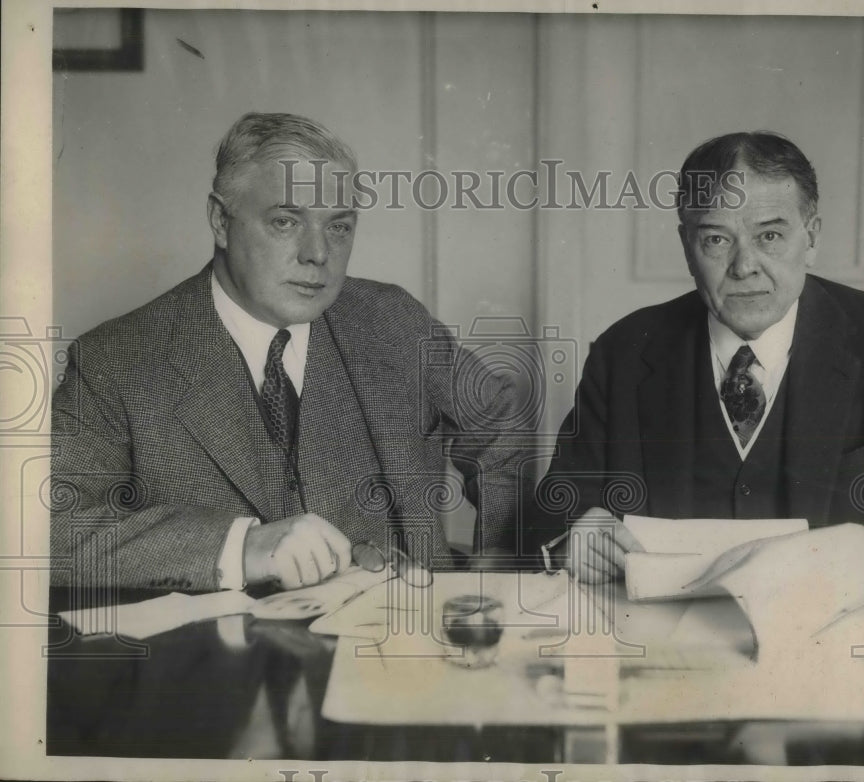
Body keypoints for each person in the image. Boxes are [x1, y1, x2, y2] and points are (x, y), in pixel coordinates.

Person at [50, 112, 523, 592]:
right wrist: (238, 547)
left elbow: (501, 421)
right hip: (220, 660)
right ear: (220, 220)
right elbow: (45, 527)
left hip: (395, 649)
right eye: (285, 221)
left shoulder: (392, 320)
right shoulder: (113, 361)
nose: (317, 253)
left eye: (338, 228)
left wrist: (502, 563)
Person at [528, 131, 864, 604]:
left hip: (832, 639)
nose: (745, 266)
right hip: (660, 642)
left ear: (812, 237)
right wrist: (570, 537)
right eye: (717, 239)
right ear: (686, 245)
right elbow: (553, 509)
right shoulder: (623, 349)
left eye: (770, 236)